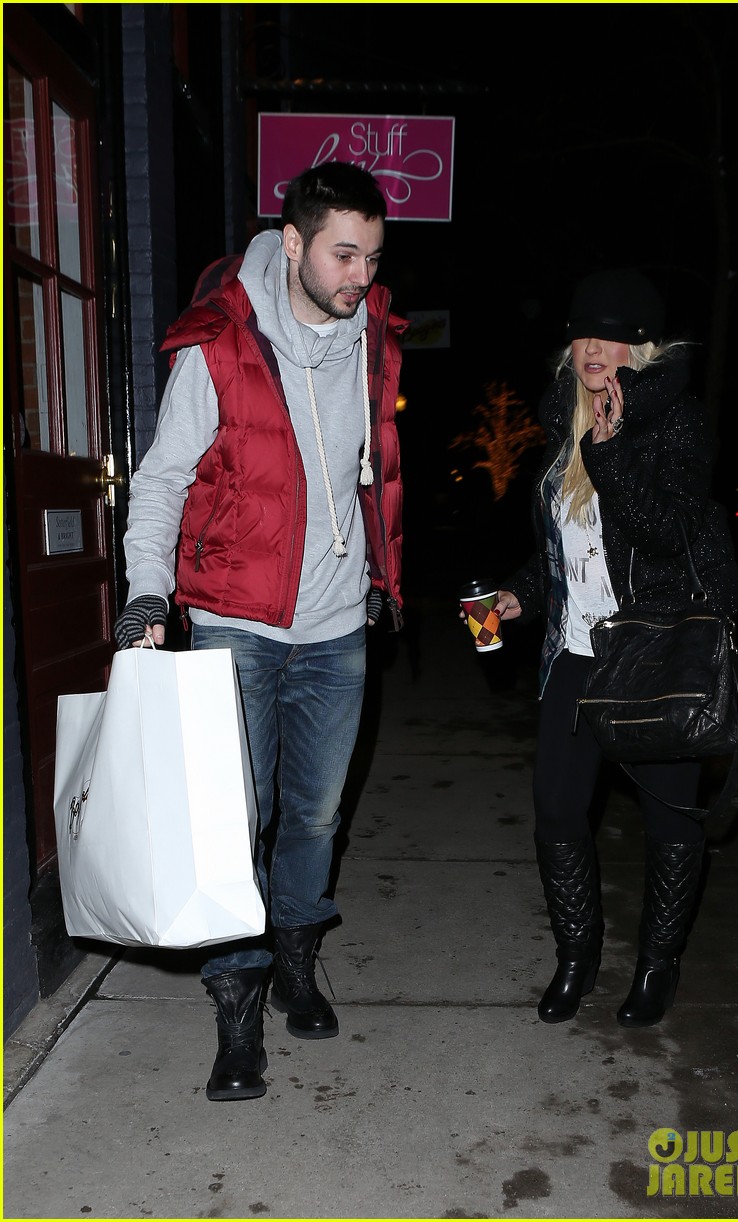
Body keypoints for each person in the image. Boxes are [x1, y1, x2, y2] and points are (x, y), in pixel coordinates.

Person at [113, 161, 406, 1101]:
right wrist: (148, 596)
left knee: (315, 816)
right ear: (292, 244)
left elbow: (369, 474)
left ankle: (294, 965)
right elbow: (162, 479)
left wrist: (377, 573)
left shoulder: (374, 342)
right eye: (343, 254)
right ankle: (236, 1012)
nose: (361, 274)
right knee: (232, 823)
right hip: (235, 625)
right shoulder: (219, 344)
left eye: (373, 256)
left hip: (336, 628)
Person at [492, 268, 738, 1028]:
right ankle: (576, 958)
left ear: (643, 349)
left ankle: (657, 965)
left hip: (654, 655)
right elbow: (568, 548)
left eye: (613, 337)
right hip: (576, 653)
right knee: (556, 811)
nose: (594, 349)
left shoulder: (674, 423)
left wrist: (611, 456)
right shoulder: (562, 419)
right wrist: (522, 594)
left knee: (669, 819)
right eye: (583, 334)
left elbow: (666, 534)